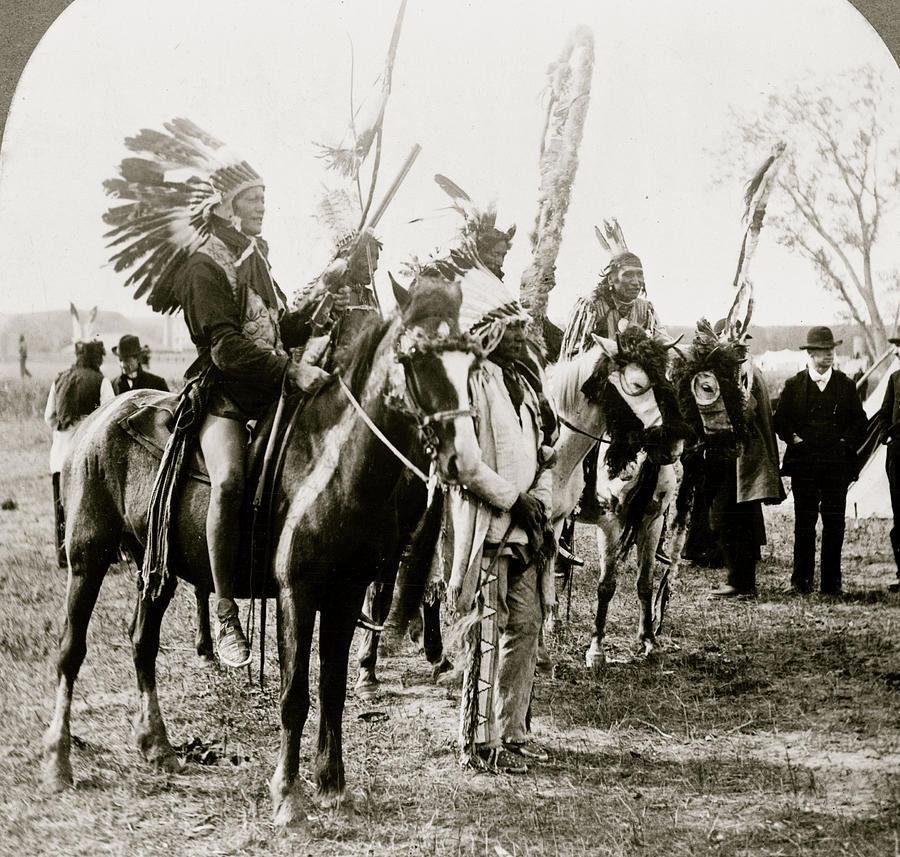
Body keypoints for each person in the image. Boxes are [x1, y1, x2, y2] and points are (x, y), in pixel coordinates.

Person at [173, 177, 341, 668]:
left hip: (272, 394)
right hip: (225, 398)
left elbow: (277, 327)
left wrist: (324, 293)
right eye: (252, 198)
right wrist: (290, 368)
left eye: (266, 197)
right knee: (228, 483)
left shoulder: (255, 257)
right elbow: (225, 347)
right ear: (225, 205)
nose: (262, 205)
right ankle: (226, 611)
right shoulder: (203, 264)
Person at [447, 283, 556, 775]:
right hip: (488, 524)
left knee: (527, 623)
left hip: (530, 526)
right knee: (486, 632)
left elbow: (548, 452)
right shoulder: (470, 381)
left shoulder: (526, 384)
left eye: (521, 328)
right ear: (487, 332)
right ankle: (478, 741)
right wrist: (515, 499)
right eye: (509, 328)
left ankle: (511, 733)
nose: (519, 335)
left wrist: (542, 502)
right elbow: (465, 464)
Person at [774, 326, 867, 595]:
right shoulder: (794, 385)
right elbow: (780, 420)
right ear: (811, 353)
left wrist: (843, 444)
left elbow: (859, 423)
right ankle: (800, 582)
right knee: (804, 522)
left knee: (834, 523)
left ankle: (831, 584)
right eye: (823, 351)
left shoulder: (846, 385)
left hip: (836, 466)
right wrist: (794, 439)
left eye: (831, 351)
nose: (829, 356)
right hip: (804, 465)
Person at [708, 332, 784, 597]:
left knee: (729, 518)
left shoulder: (744, 374)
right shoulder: (746, 370)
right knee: (736, 518)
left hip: (741, 457)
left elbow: (745, 412)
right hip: (742, 457)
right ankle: (740, 579)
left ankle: (740, 581)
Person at [44, 340, 115, 567]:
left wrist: (66, 427)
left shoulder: (60, 379)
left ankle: (64, 557)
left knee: (62, 507)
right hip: (88, 456)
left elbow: (50, 417)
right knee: (94, 506)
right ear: (98, 358)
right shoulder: (101, 381)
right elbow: (111, 417)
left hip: (60, 454)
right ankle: (100, 554)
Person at [869, 330, 900, 592]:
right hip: (898, 454)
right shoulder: (894, 378)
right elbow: (882, 413)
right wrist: (885, 437)